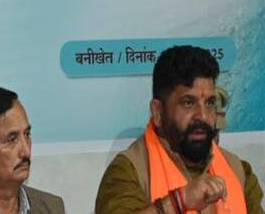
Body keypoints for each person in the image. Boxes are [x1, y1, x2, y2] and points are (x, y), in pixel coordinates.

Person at [95, 45, 264, 214]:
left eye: (210, 103)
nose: (203, 116)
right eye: (188, 103)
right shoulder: (128, 172)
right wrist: (178, 201)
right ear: (158, 112)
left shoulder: (239, 172)